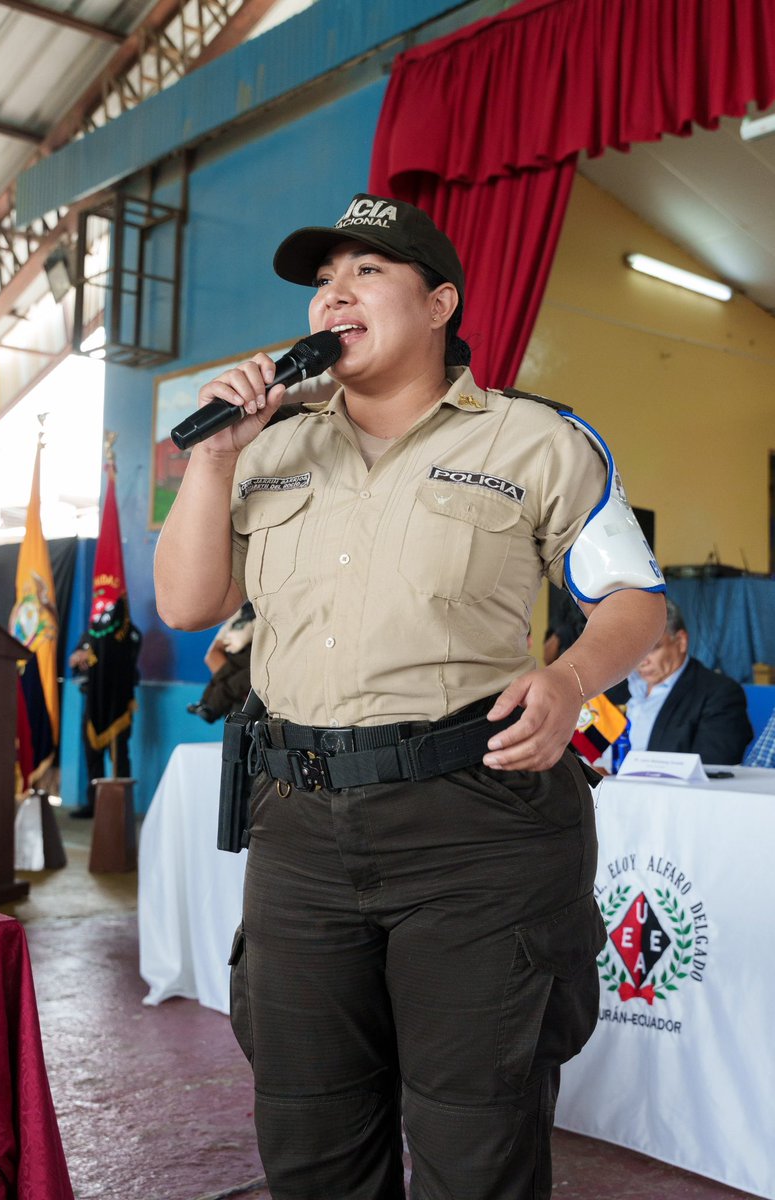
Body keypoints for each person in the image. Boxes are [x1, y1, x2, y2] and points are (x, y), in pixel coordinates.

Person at [154, 192, 666, 1200]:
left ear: (439, 304)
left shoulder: (535, 441)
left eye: (365, 274)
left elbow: (635, 605)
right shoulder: (267, 448)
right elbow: (186, 600)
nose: (333, 296)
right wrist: (213, 457)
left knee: (476, 1141)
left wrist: (568, 679)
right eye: (321, 283)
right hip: (298, 827)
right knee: (309, 1137)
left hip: (473, 825)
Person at [609, 598, 753, 765]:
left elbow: (711, 767)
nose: (641, 660)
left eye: (651, 648)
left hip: (659, 791)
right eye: (633, 650)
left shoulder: (719, 695)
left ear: (681, 642)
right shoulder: (613, 688)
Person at [68, 613, 141, 818]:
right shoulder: (89, 634)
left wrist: (96, 655)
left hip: (117, 703)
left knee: (119, 756)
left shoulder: (128, 634)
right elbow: (73, 659)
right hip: (93, 702)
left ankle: (121, 806)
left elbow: (127, 659)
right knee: (93, 755)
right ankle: (95, 804)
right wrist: (79, 658)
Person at [187, 600, 256, 722]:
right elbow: (213, 653)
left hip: (253, 662)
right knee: (220, 677)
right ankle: (204, 702)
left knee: (232, 684)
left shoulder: (261, 615)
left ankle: (212, 708)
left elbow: (242, 639)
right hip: (237, 656)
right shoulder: (241, 613)